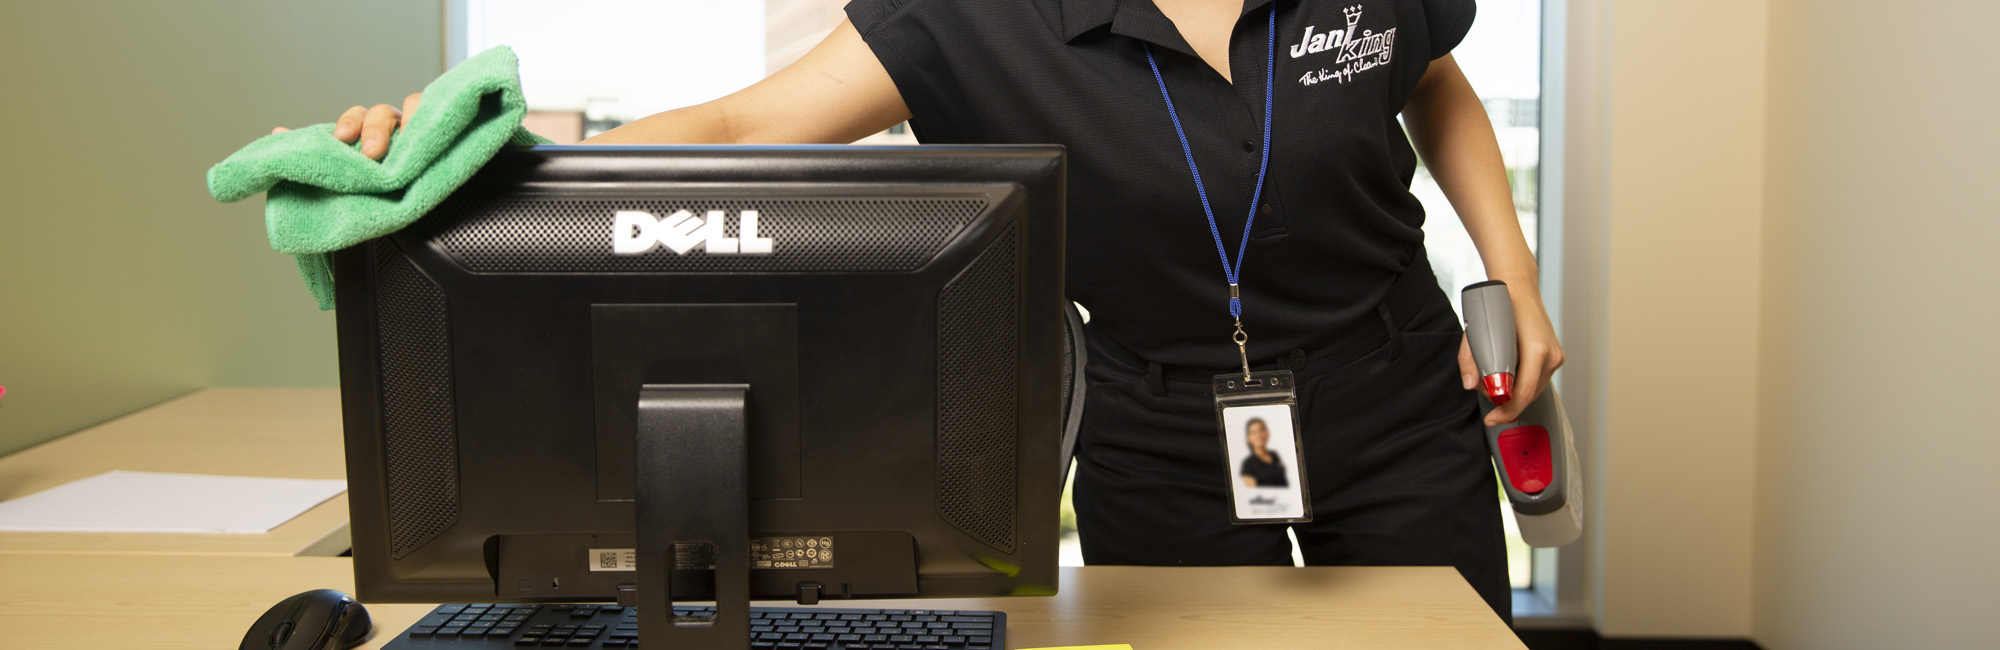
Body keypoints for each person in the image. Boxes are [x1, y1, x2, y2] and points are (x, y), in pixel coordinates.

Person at [290, 0, 1563, 622]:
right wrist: (455, 164)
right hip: (1152, 416)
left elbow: (1432, 79)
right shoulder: (966, 6)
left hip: (1394, 385)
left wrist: (1508, 269)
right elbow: (745, 124)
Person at [1238, 417, 1288, 488]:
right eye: (1253, 432)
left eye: (1261, 430)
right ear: (1248, 439)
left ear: (1267, 432)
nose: (1259, 435)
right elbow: (1251, 493)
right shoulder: (1248, 464)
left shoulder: (1274, 455)